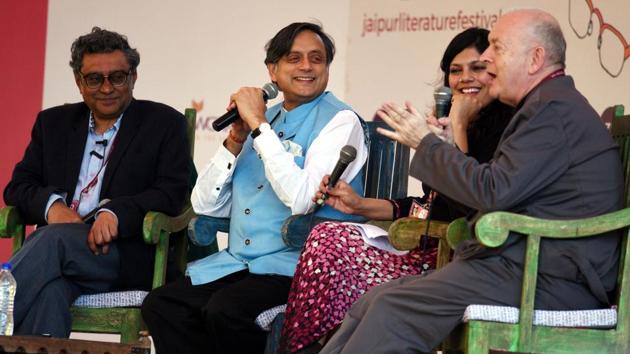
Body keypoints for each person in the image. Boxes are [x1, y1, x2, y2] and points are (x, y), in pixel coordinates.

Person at [320, 9, 623, 353]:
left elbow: (492, 192)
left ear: (536, 58)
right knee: (376, 299)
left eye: (498, 47)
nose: (487, 57)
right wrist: (446, 148)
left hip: (547, 280)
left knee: (393, 310)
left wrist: (427, 144)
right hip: (518, 266)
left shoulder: (551, 111)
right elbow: (497, 190)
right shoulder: (545, 105)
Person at [278, 27, 513, 354]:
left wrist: (456, 126)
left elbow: (468, 204)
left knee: (331, 246)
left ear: (495, 70)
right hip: (426, 243)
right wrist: (360, 205)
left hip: (453, 260)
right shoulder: (454, 122)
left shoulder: (507, 130)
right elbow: (430, 205)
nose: (463, 79)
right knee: (328, 235)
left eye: (476, 68)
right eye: (455, 71)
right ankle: (313, 345)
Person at [141, 22, 368, 354]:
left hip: (301, 267)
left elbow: (303, 200)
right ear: (272, 70)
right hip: (241, 264)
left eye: (316, 59)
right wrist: (235, 140)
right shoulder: (262, 120)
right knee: (163, 305)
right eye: (294, 58)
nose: (306, 66)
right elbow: (206, 205)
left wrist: (259, 126)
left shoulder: (340, 121)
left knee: (226, 310)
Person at [3, 27, 190, 337]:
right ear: (79, 82)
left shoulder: (163, 123)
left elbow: (172, 192)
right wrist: (53, 208)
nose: (107, 88)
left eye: (117, 77)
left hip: (123, 254)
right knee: (49, 293)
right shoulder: (53, 124)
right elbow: (18, 187)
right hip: (60, 257)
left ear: (133, 77)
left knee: (51, 239)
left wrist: (116, 212)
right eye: (94, 79)